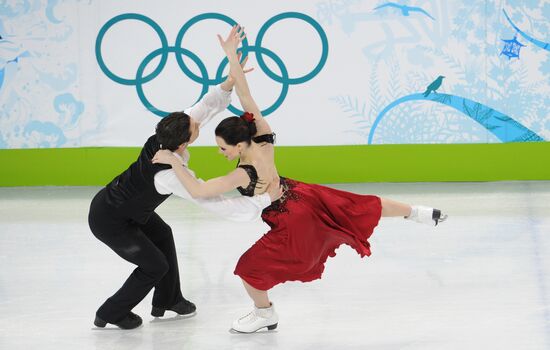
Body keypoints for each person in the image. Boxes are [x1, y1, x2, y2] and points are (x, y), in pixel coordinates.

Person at [152, 25, 448, 333]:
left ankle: (264, 313)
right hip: (300, 193)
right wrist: (231, 57)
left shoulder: (243, 172)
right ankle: (418, 213)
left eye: (222, 148)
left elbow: (199, 190)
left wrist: (174, 161)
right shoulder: (262, 136)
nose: (220, 152)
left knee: (247, 269)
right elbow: (244, 92)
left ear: (239, 145)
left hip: (290, 218)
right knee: (358, 205)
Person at [88, 64, 283, 330]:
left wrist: (227, 84)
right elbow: (209, 200)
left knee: (163, 234)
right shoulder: (167, 174)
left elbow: (202, 108)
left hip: (128, 208)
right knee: (154, 266)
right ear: (183, 144)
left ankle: (169, 299)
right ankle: (111, 311)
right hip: (110, 221)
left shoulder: (164, 135)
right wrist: (262, 201)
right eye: (194, 126)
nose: (196, 121)